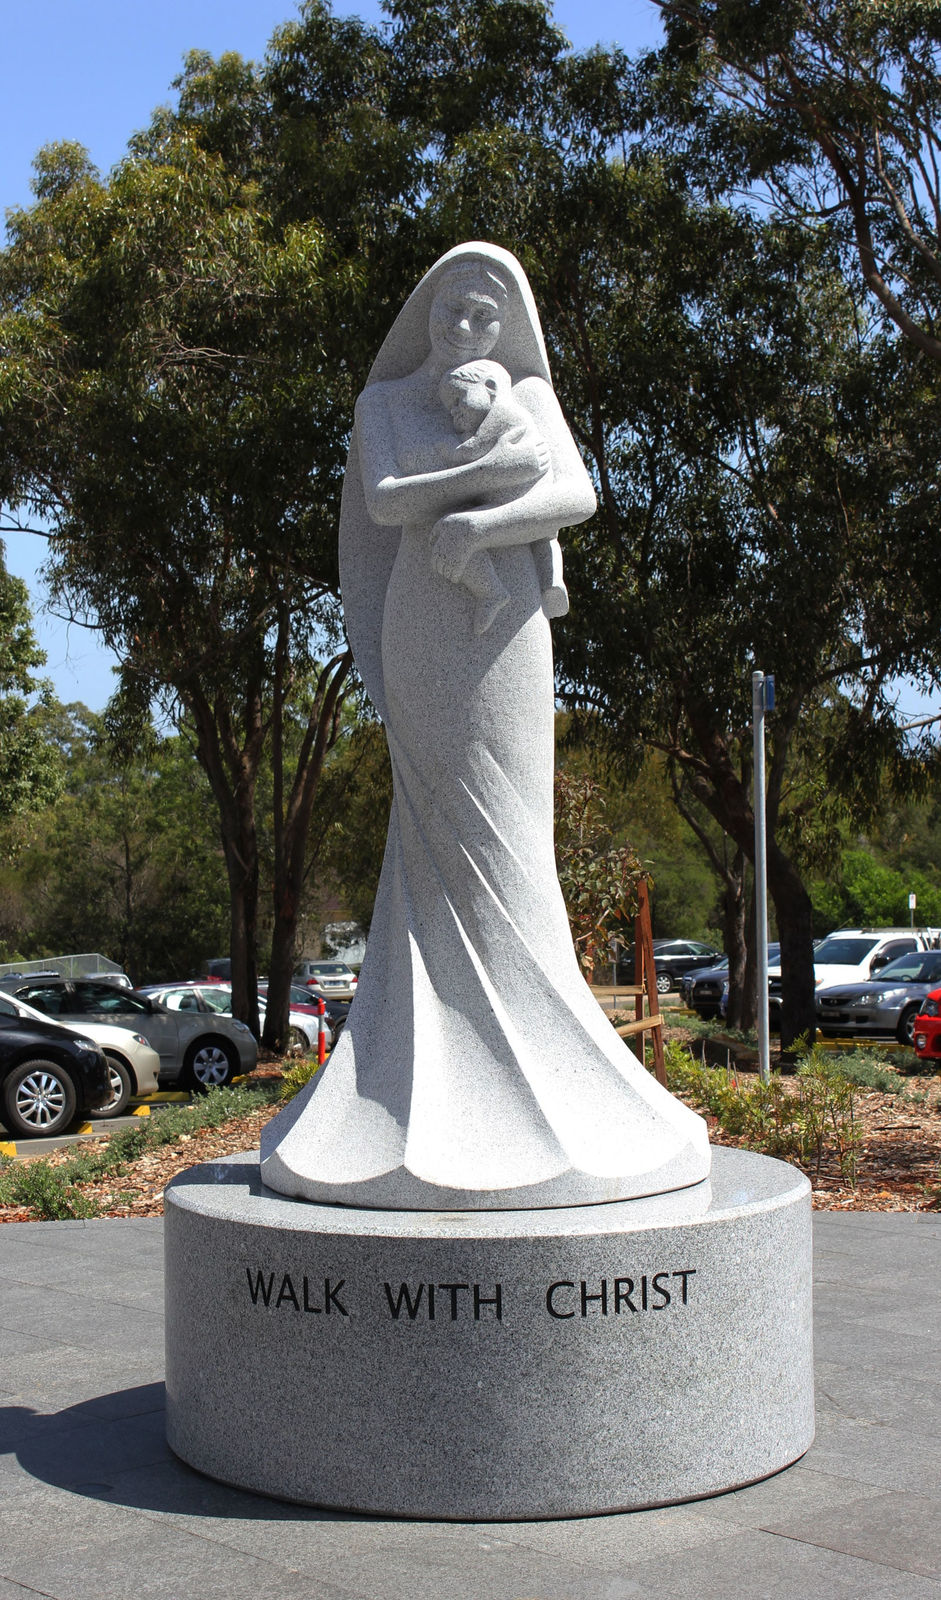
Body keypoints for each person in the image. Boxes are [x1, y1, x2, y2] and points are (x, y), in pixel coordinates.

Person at [260, 243, 710, 1209]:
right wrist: (487, 478)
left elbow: (575, 495)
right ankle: (404, 1084)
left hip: (505, 626)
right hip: (423, 620)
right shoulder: (384, 408)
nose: (467, 329)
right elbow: (384, 502)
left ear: (508, 326)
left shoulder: (531, 395)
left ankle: (549, 1073)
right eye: (453, 311)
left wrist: (476, 520)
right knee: (434, 827)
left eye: (485, 316)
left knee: (512, 836)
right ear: (426, 313)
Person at [437, 358, 567, 633]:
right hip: (526, 500)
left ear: (491, 388)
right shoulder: (512, 419)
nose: (454, 410)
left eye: (460, 398)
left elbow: (475, 448)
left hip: (521, 500)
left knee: (452, 527)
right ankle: (553, 580)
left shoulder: (504, 414)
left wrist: (454, 452)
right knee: (546, 540)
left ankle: (491, 591)